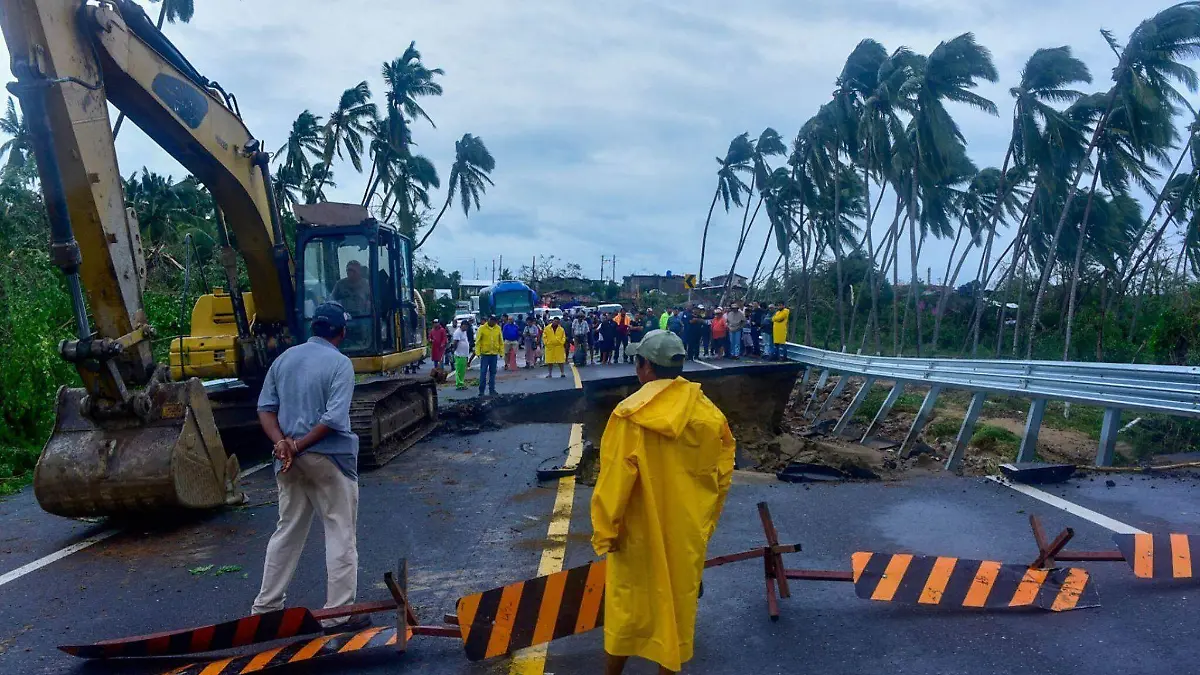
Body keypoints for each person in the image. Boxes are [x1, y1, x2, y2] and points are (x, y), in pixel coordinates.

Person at [591, 329, 735, 675]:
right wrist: (705, 526)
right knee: (677, 610)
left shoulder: (630, 414)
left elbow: (614, 481)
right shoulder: (709, 413)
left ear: (645, 367)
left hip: (638, 533)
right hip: (685, 532)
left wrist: (606, 532)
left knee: (628, 607)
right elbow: (722, 476)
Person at [252, 302, 367, 633]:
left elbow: (265, 408)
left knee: (287, 529)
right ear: (341, 332)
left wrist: (282, 444)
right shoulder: (340, 364)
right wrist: (299, 445)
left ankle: (266, 607)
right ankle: (339, 613)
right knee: (340, 531)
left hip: (288, 461)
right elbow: (333, 419)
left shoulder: (284, 359)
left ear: (314, 328)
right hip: (328, 459)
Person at [476, 315, 503, 396]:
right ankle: (481, 391)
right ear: (489, 320)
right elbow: (478, 341)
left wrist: (501, 352)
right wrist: (477, 352)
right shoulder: (482, 328)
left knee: (493, 373)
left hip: (494, 354)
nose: (493, 322)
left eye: (494, 321)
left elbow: (500, 340)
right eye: (492, 320)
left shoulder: (498, 328)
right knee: (483, 372)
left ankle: (492, 390)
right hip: (485, 354)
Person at [451, 318, 472, 390]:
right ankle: (459, 384)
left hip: (464, 354)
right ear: (463, 325)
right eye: (466, 326)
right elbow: (455, 342)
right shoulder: (458, 332)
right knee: (459, 370)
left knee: (463, 370)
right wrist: (455, 350)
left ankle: (461, 382)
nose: (467, 328)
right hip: (459, 354)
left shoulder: (464, 332)